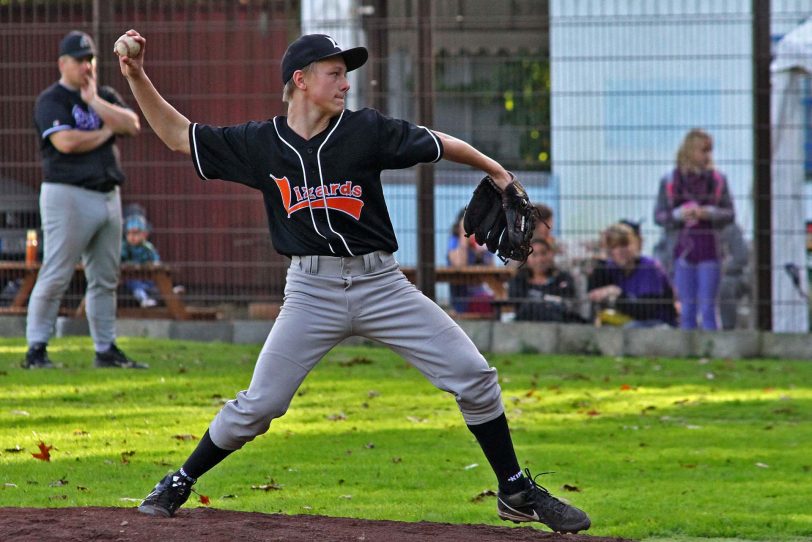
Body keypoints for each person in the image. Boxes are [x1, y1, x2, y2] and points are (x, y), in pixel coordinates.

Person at [117, 30, 590, 533]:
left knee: (474, 378)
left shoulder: (366, 130)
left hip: (381, 286)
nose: (346, 83)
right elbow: (178, 135)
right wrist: (137, 75)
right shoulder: (260, 144)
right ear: (300, 81)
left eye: (346, 73)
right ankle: (181, 479)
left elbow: (439, 142)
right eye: (334, 73)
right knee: (261, 405)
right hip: (310, 292)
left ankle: (515, 489)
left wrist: (497, 171)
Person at [23, 30, 146, 370]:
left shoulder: (102, 94)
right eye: (79, 59)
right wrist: (107, 131)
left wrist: (95, 103)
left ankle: (105, 350)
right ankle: (36, 349)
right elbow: (65, 143)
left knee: (105, 278)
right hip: (67, 195)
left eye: (90, 58)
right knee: (57, 273)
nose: (86, 65)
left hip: (108, 194)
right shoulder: (52, 100)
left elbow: (133, 124)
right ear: (63, 63)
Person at [653, 129, 735, 330]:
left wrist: (707, 213)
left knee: (708, 307)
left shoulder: (717, 180)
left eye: (709, 151)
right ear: (689, 151)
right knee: (687, 308)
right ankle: (687, 352)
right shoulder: (671, 182)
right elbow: (659, 215)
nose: (707, 156)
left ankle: (710, 349)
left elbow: (729, 213)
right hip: (682, 251)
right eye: (703, 151)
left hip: (710, 251)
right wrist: (678, 215)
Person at [587, 223, 677, 328]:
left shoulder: (649, 267)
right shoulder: (613, 268)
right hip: (630, 323)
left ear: (635, 244)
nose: (620, 251)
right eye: (614, 247)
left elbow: (645, 312)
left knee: (631, 328)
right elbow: (593, 291)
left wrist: (617, 294)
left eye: (624, 245)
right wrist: (602, 256)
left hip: (659, 325)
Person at [507, 238, 583, 322]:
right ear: (527, 258)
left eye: (543, 253)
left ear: (551, 255)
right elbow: (519, 305)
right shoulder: (519, 281)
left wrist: (537, 299)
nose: (540, 259)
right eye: (534, 255)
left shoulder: (563, 279)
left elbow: (565, 303)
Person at [447, 208, 495, 315]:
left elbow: (493, 272)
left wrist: (480, 251)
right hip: (463, 300)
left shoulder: (482, 245)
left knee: (499, 301)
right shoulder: (455, 242)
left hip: (484, 294)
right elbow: (460, 265)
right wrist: (464, 238)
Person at [120, 214, 161, 308]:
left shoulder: (147, 247)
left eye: (135, 233)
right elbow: (121, 259)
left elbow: (155, 258)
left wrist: (155, 263)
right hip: (129, 276)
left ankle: (168, 293)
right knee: (136, 284)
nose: (132, 237)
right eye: (129, 233)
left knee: (155, 282)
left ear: (144, 235)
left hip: (146, 275)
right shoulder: (125, 247)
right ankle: (143, 299)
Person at [718, 223, 750, 330]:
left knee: (725, 286)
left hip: (732, 275)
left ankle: (728, 329)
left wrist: (723, 268)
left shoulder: (731, 229)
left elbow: (741, 259)